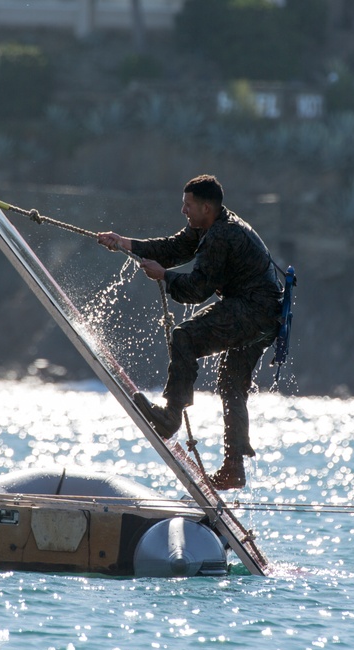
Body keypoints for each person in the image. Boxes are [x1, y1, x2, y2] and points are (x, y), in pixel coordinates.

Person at [97, 174, 283, 490]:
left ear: (206, 208)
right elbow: (174, 247)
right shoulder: (208, 226)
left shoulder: (220, 235)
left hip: (253, 309)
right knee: (231, 383)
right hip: (268, 316)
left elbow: (197, 290)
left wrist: (165, 277)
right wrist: (125, 243)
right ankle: (233, 468)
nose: (183, 210)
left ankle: (170, 416)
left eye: (188, 205)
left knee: (185, 336)